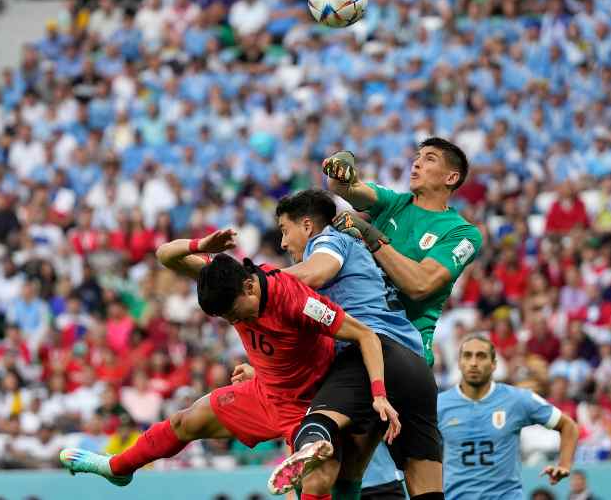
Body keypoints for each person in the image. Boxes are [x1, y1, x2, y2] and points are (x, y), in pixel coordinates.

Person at [59, 230, 399, 497]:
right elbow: (166, 255)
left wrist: (378, 393)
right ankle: (118, 469)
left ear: (250, 287)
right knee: (185, 422)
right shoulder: (227, 283)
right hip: (265, 393)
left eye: (234, 313)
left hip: (310, 404)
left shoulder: (297, 300)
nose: (233, 320)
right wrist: (199, 244)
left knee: (318, 481)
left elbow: (366, 336)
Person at [322, 137, 482, 496]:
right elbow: (345, 187)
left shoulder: (462, 233)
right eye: (416, 157)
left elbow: (421, 285)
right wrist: (339, 165)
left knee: (416, 474)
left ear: (451, 177)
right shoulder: (394, 202)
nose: (416, 164)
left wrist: (372, 237)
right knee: (348, 461)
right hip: (366, 347)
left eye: (429, 159)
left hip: (409, 354)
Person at [263, 189, 436, 499]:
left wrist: (260, 282)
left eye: (285, 230)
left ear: (307, 226)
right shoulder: (358, 249)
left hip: (369, 353)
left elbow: (317, 273)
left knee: (316, 426)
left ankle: (311, 443)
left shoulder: (328, 240)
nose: (283, 243)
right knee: (374, 474)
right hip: (414, 366)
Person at [439, 336, 579, 500]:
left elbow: (568, 425)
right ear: (459, 363)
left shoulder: (517, 399)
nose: (474, 362)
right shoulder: (439, 405)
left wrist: (564, 464)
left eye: (481, 356)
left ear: (494, 365)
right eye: (467, 356)